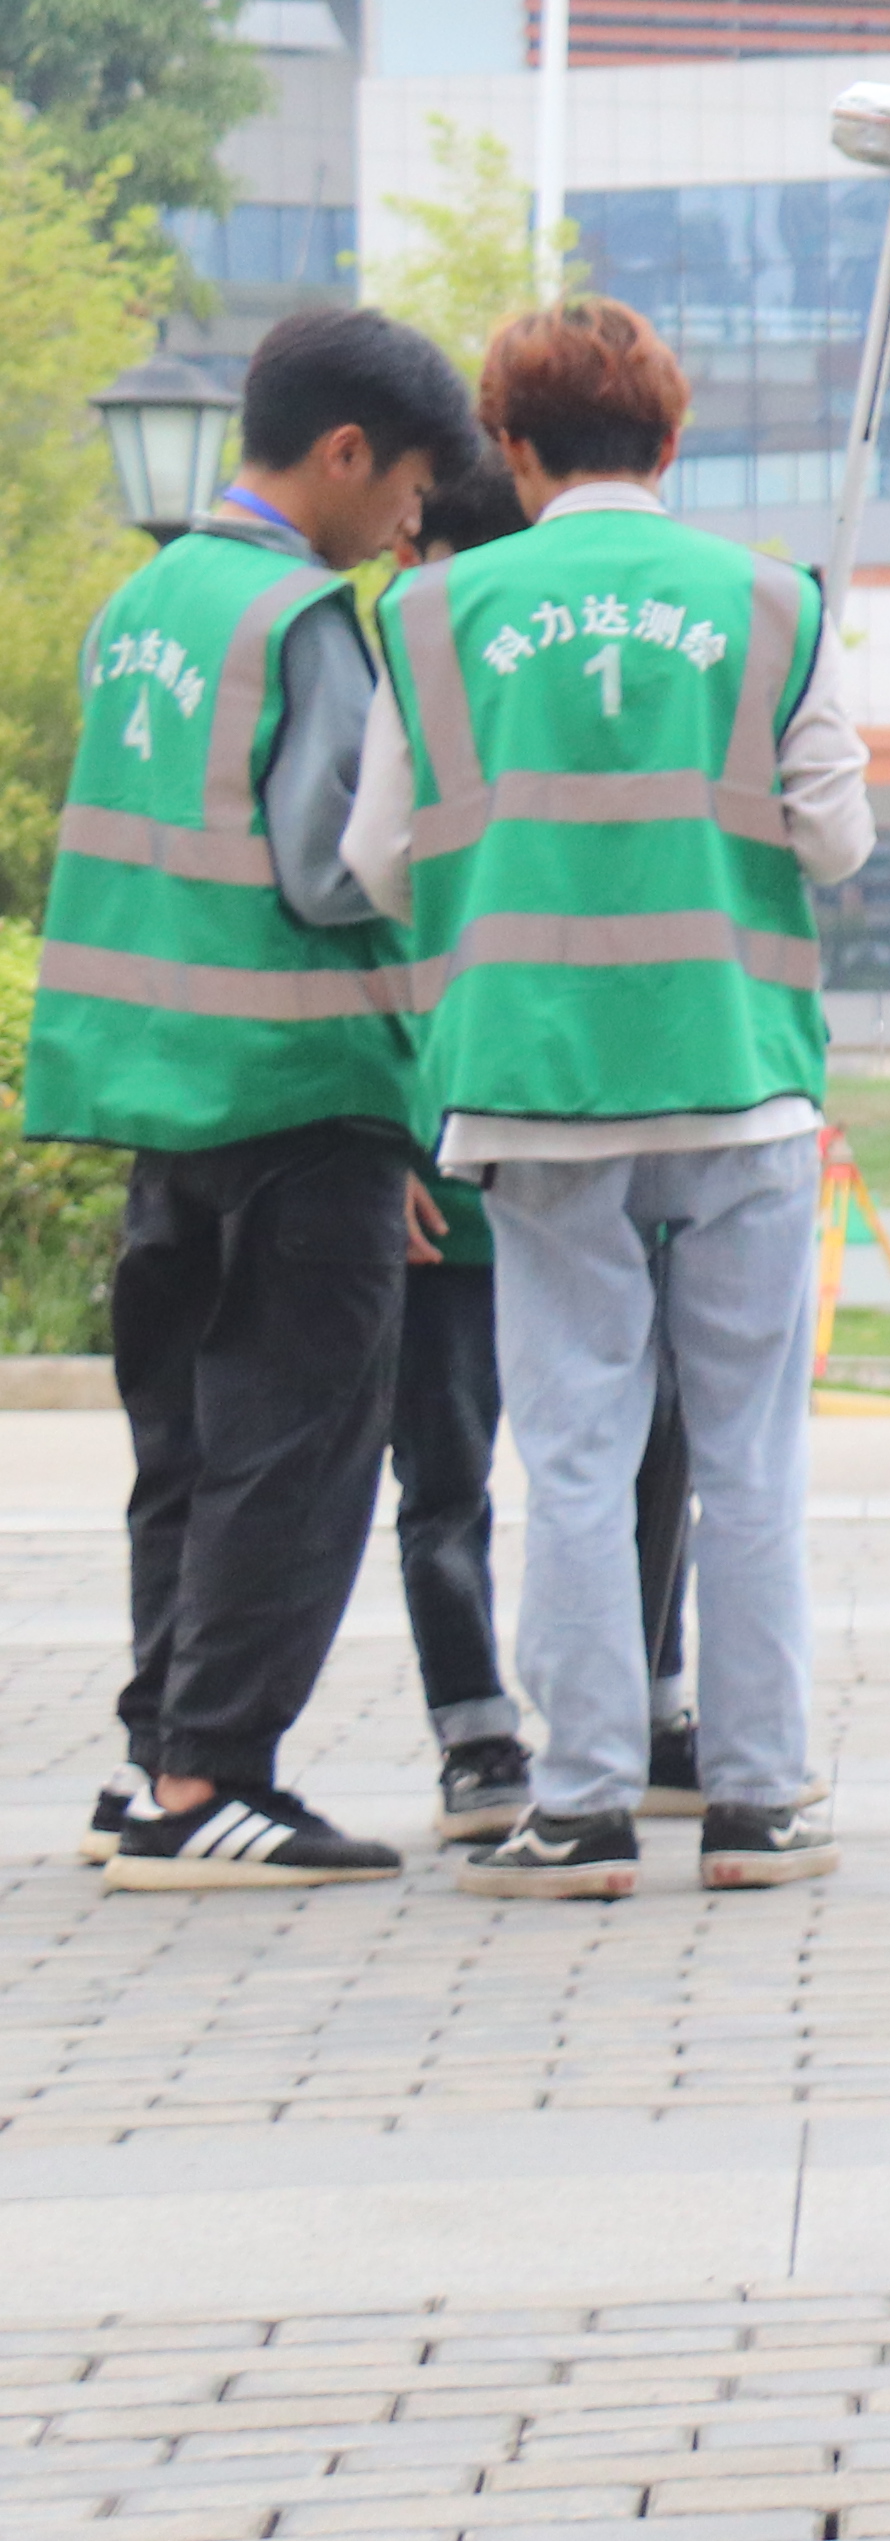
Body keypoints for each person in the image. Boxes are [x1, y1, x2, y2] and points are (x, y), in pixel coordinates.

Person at [345, 296, 861, 1899]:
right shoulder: (773, 602)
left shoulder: (433, 616)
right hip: (737, 1074)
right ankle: (757, 1801)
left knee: (572, 1450)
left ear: (507, 445)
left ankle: (576, 1808)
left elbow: (377, 859)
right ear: (674, 437)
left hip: (535, 1082)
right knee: (748, 1454)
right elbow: (838, 839)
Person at [29, 309, 471, 1885]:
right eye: (408, 487)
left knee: (190, 1452)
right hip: (299, 1085)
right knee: (296, 1452)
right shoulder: (305, 623)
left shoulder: (141, 603)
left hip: (162, 1096)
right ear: (345, 452)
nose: (410, 524)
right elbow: (341, 865)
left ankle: (158, 1760)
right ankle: (211, 1780)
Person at [375, 442, 696, 1849]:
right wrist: (388, 1146)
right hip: (449, 1159)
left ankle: (653, 1706)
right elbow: (364, 934)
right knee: (447, 1469)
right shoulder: (404, 687)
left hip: (589, 1141)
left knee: (649, 1450)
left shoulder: (561, 700)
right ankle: (477, 1735)